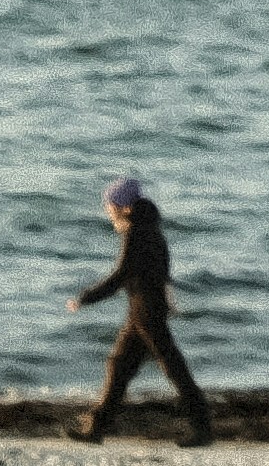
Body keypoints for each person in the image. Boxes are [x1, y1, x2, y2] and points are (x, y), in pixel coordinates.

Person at [67, 173, 216, 446]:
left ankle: (203, 429)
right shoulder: (150, 228)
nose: (108, 211)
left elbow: (122, 274)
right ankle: (97, 428)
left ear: (123, 206)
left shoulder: (136, 232)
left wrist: (86, 298)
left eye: (110, 205)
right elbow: (162, 269)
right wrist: (167, 297)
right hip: (145, 311)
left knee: (174, 369)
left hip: (147, 313)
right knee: (120, 366)